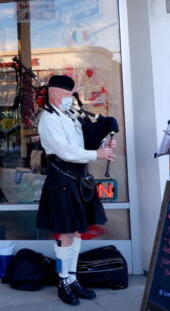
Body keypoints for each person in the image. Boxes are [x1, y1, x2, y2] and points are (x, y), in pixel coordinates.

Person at [36, 75, 117, 306]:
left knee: (78, 230)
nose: (70, 99)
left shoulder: (70, 115)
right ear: (54, 94)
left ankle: (72, 278)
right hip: (62, 179)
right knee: (66, 232)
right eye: (67, 95)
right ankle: (62, 281)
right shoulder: (48, 119)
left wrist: (103, 145)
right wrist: (97, 154)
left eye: (71, 95)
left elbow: (83, 144)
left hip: (79, 178)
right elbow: (66, 151)